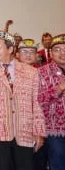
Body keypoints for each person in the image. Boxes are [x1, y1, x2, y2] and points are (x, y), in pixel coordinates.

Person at [0, 30, 46, 170]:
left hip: (24, 130)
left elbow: (37, 103)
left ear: (10, 48)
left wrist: (39, 131)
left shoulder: (31, 71)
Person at [38, 34, 65, 170]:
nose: (63, 53)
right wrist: (58, 89)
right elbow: (38, 101)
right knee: (58, 165)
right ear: (51, 53)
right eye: (58, 49)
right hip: (55, 130)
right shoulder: (41, 72)